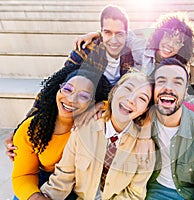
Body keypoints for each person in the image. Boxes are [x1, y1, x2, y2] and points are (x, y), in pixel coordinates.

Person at [4, 4, 136, 161]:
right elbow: (56, 86)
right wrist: (22, 128)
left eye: (119, 33)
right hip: (81, 109)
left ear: (126, 34)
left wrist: (101, 105)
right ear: (102, 32)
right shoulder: (86, 52)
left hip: (105, 111)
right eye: (107, 32)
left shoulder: (130, 55)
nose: (114, 40)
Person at [38, 71, 155, 199]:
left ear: (145, 109)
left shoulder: (145, 147)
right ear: (115, 90)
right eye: (128, 89)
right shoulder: (83, 128)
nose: (131, 100)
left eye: (142, 98)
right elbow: (63, 178)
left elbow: (134, 194)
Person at [11, 69, 99, 200]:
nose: (71, 99)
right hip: (45, 182)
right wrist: (36, 197)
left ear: (92, 102)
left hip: (82, 184)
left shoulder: (96, 123)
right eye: (67, 89)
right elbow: (23, 175)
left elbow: (126, 111)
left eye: (83, 96)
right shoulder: (32, 128)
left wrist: (103, 105)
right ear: (57, 90)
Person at [146, 58, 194, 199]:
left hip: (186, 194)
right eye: (161, 81)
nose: (168, 88)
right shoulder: (139, 120)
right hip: (148, 189)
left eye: (177, 82)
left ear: (185, 91)